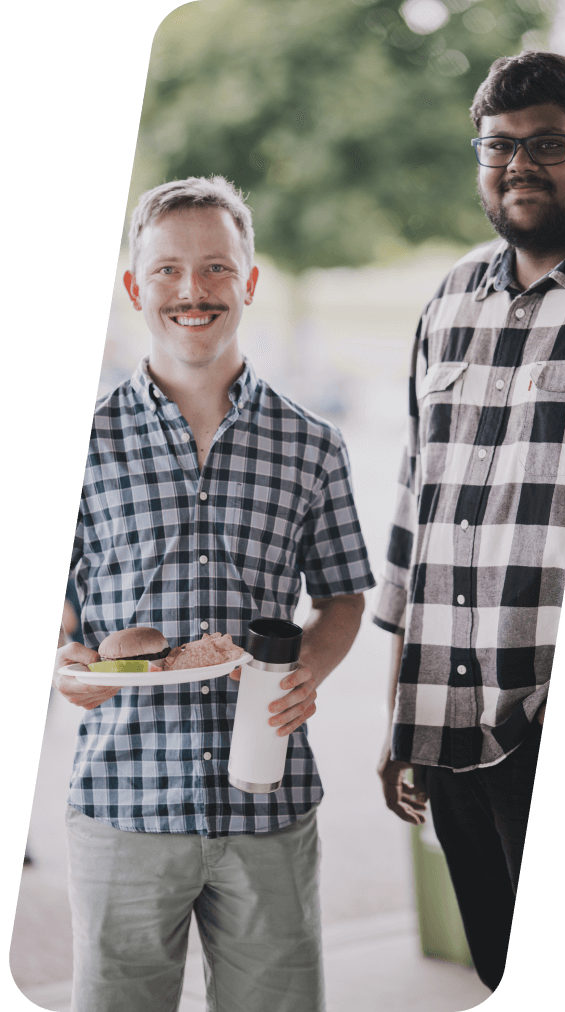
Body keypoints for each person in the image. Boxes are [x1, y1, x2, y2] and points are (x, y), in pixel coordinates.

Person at [53, 174, 375, 1012]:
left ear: (250, 281)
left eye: (216, 268)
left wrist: (310, 668)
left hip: (267, 805)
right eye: (166, 270)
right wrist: (68, 656)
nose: (191, 290)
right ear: (132, 287)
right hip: (123, 803)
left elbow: (342, 594)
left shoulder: (312, 446)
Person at [373, 50, 565, 993]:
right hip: (448, 722)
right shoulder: (448, 302)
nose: (519, 164)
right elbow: (414, 518)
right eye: (498, 146)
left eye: (548, 143)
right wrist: (401, 711)